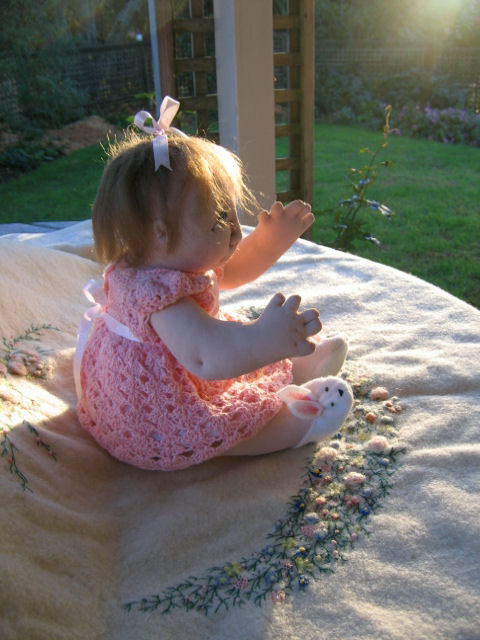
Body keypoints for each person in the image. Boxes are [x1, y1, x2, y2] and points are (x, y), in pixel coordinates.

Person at [75, 97, 352, 472]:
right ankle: (298, 424)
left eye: (232, 212)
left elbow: (233, 269)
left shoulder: (175, 259)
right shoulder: (156, 298)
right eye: (219, 219)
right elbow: (207, 356)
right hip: (155, 408)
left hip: (183, 366)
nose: (237, 230)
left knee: (244, 350)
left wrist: (270, 241)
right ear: (160, 233)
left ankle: (302, 364)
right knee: (219, 424)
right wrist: (267, 339)